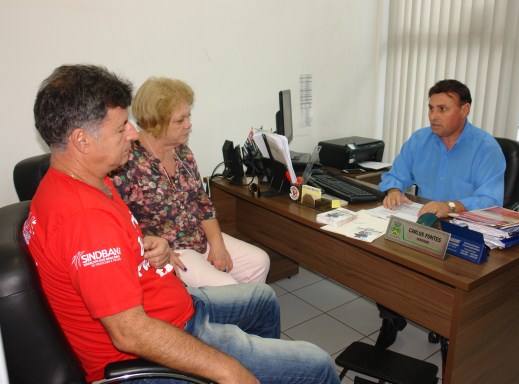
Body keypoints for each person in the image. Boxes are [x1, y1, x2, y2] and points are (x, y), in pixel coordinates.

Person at [23, 64, 340, 384]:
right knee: (317, 364)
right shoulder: (84, 218)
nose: (132, 134)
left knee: (263, 301)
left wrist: (151, 245)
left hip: (171, 307)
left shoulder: (83, 183)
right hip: (152, 348)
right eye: (121, 128)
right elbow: (130, 334)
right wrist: (229, 369)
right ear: (81, 141)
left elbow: (112, 255)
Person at [375, 79, 506, 349]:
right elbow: (394, 175)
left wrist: (451, 206)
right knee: (382, 257)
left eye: (443, 109)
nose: (433, 116)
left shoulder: (485, 148)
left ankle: (449, 330)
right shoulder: (420, 140)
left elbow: (492, 200)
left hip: (462, 231)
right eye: (431, 108)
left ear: (465, 109)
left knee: (446, 284)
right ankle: (391, 317)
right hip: (422, 224)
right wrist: (394, 190)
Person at [111, 77, 269, 287]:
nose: (189, 124)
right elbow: (117, 223)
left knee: (259, 262)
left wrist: (218, 244)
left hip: (198, 237)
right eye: (180, 120)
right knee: (226, 286)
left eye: (188, 116)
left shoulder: (182, 152)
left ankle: (245, 316)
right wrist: (155, 251)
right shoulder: (126, 161)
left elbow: (202, 203)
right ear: (155, 123)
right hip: (171, 250)